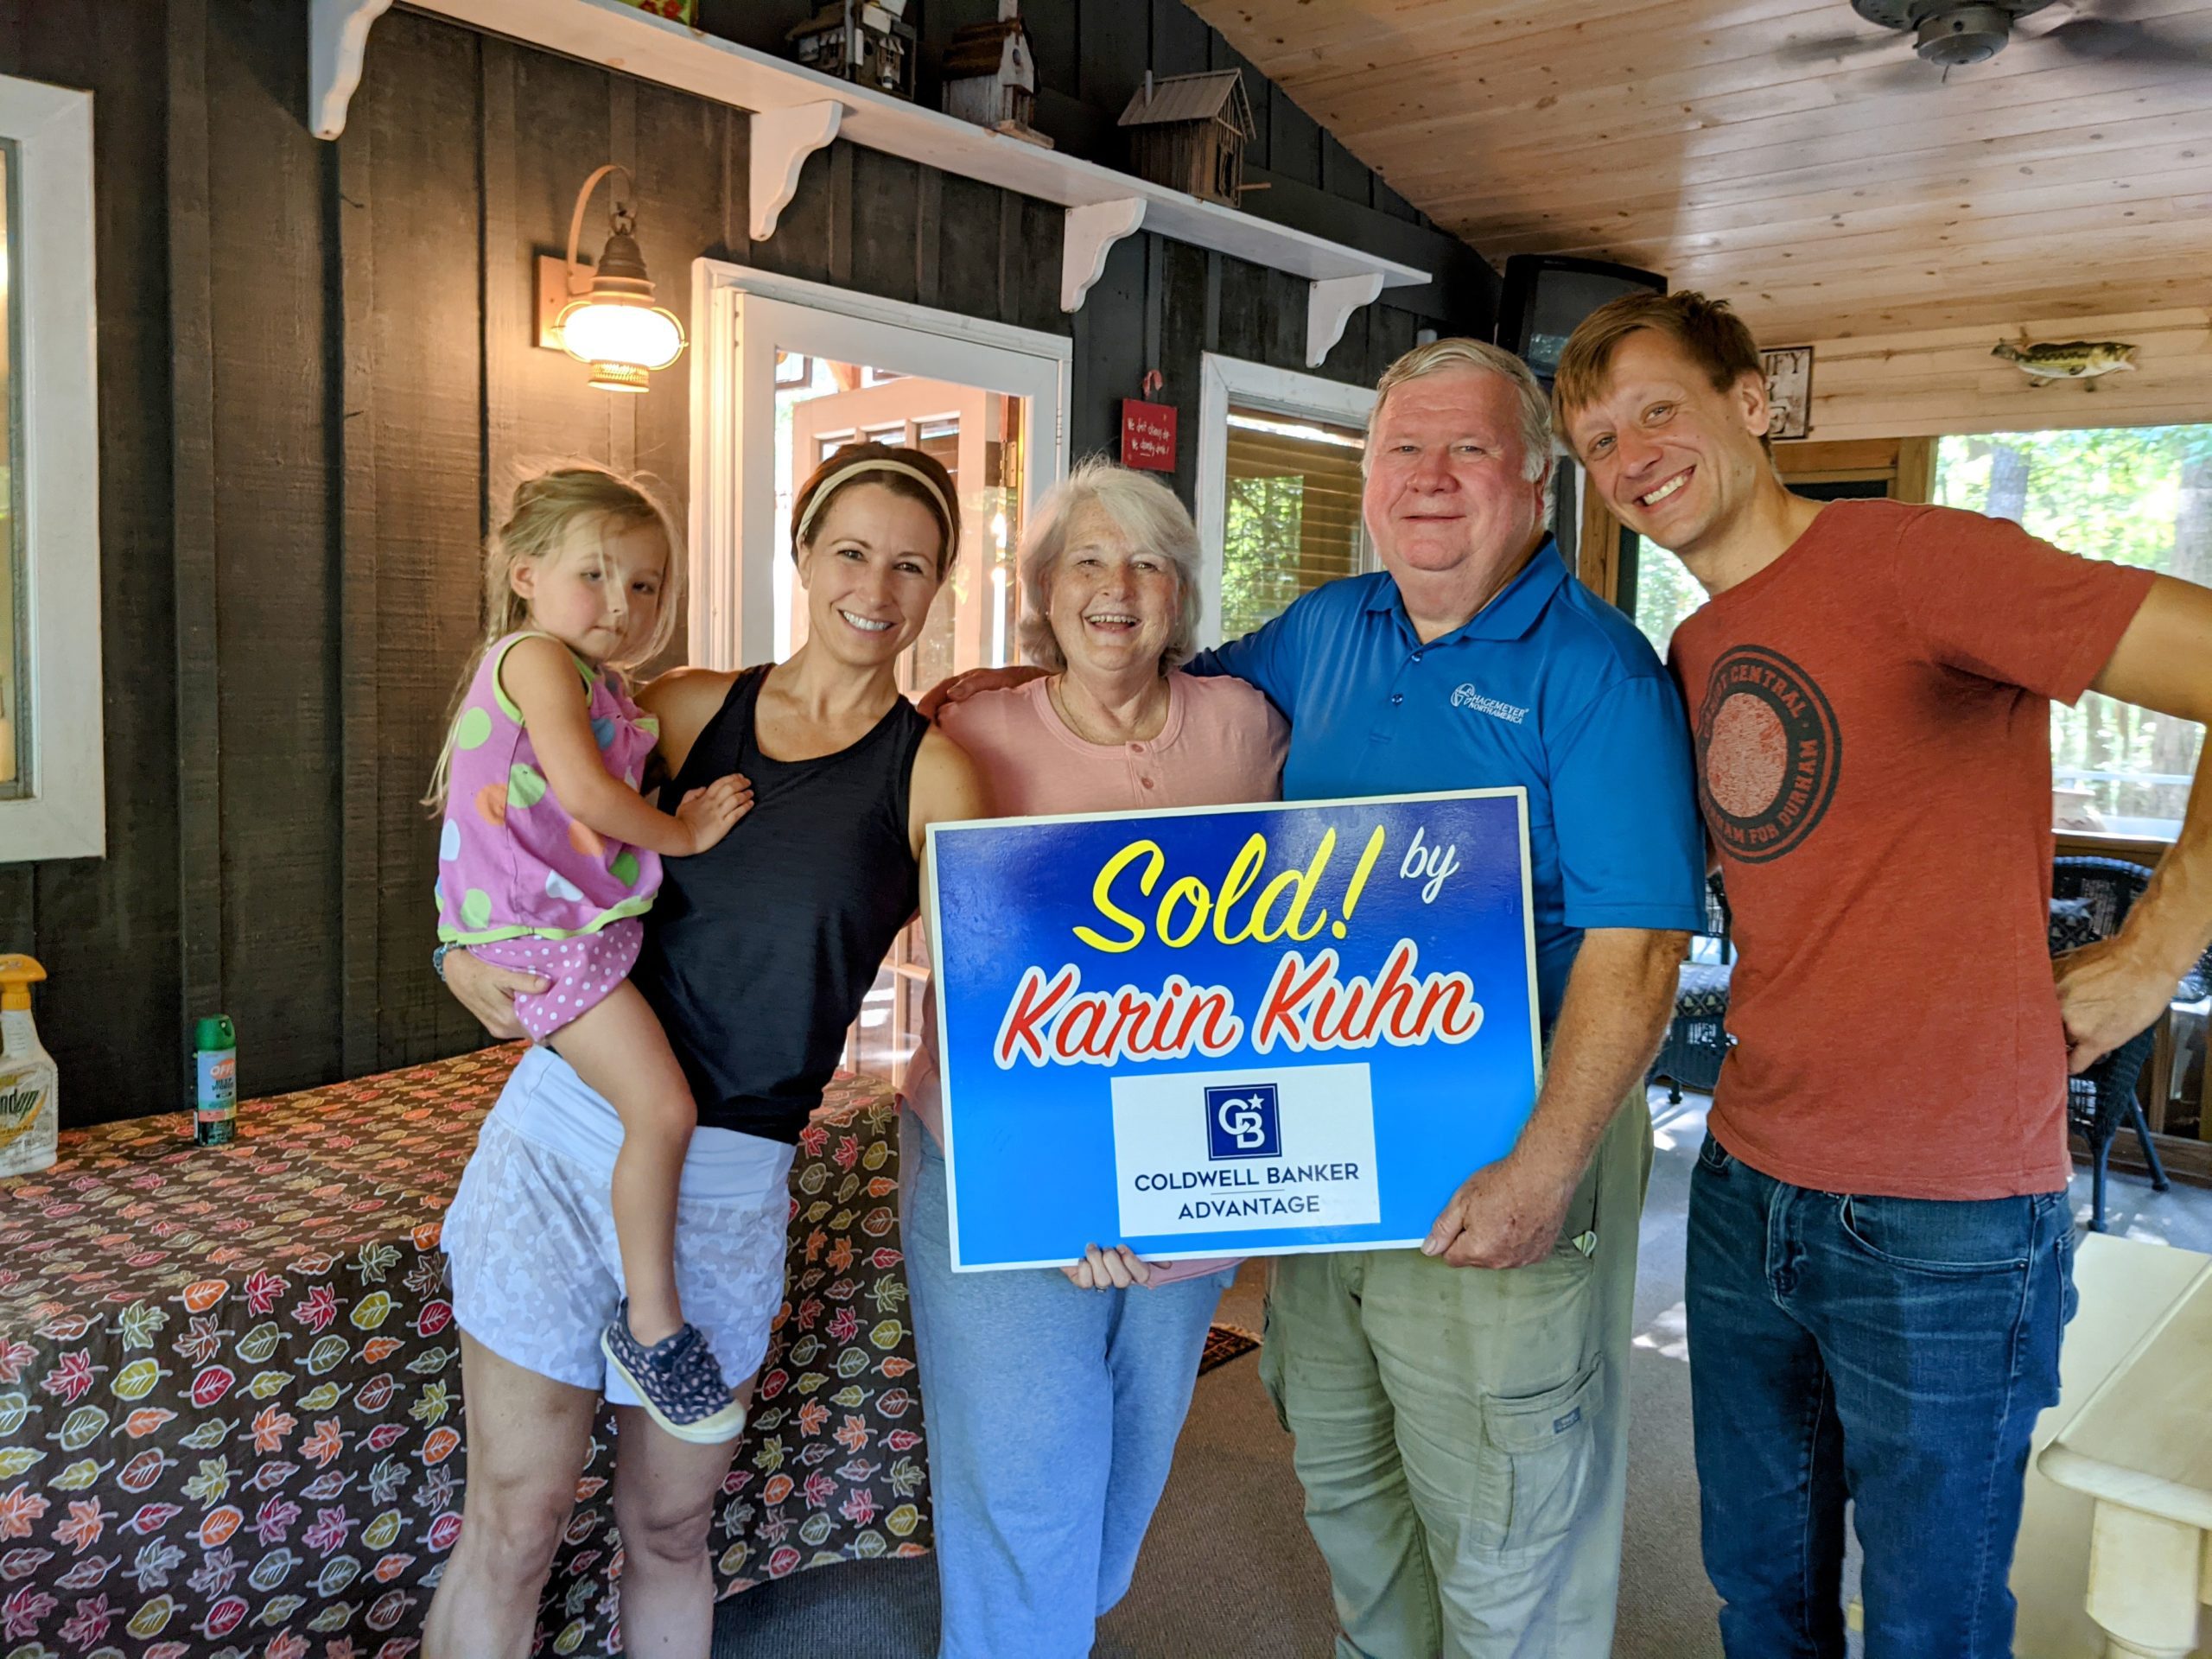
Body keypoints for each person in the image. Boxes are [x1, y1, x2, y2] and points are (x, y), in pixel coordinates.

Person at [932, 340, 1707, 1656]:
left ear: (1536, 483)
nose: (1431, 478)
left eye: (1468, 449)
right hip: (1326, 1148)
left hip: (1503, 1147)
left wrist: (1544, 1170)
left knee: (1507, 1518)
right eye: (1404, 450)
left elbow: (1639, 954)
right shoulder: (1328, 631)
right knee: (1347, 1479)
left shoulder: (1599, 672)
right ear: (1370, 477)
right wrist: (1013, 691)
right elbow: (1155, 684)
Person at [1553, 289, 2212, 1659]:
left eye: (1658, 411)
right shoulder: (1692, 651)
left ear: (1753, 402)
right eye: (1600, 442)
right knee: (1760, 1596)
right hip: (1746, 1185)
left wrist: (2155, 953)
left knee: (1930, 1624)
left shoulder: (1921, 560)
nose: (1631, 459)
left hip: (1947, 1215)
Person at [423, 444, 987, 1659]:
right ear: (802, 556)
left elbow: (1003, 993)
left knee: (671, 1531)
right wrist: (458, 953)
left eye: (910, 565)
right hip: (565, 1145)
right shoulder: (681, 708)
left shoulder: (934, 774)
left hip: (730, 1184)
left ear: (939, 586)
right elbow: (516, 822)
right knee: (515, 1521)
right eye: (851, 551)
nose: (875, 588)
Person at [899, 460, 1287, 1659]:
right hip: (1003, 1160)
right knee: (1025, 1485)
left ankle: (1055, 1623)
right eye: (1087, 561)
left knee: (1124, 1470)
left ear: (1180, 594)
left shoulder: (1248, 728)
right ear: (1043, 591)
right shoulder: (967, 732)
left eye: (1148, 563)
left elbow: (1322, 919)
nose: (1117, 588)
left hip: (1192, 1165)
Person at [426, 465, 754, 1441]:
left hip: (558, 929)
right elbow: (579, 791)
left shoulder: (599, 684)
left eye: (645, 584)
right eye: (596, 575)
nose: (622, 603)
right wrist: (683, 832)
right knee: (663, 1109)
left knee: (650, 1108)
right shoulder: (534, 657)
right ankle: (652, 1327)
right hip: (541, 936)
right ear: (525, 574)